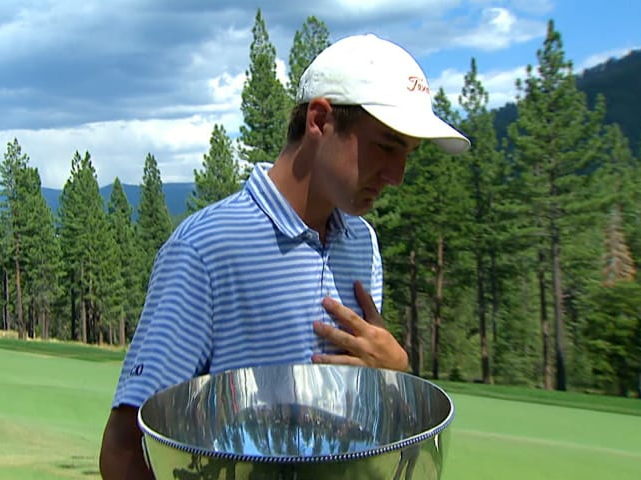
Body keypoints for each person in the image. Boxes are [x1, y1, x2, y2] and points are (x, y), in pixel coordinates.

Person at [99, 33, 470, 478]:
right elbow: (123, 449)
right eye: (386, 146)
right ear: (319, 120)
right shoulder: (205, 249)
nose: (396, 176)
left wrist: (394, 377)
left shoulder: (362, 245)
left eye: (408, 154)